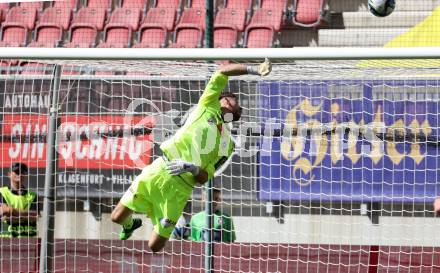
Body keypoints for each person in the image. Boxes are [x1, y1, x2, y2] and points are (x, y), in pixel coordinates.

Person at [111, 59, 272, 252]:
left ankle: (158, 217)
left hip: (181, 188)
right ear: (223, 100)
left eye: (236, 105)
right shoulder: (207, 105)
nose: (236, 104)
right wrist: (254, 69)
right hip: (161, 169)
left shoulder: (228, 144)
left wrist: (192, 168)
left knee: (155, 246)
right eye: (231, 99)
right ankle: (130, 224)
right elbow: (222, 72)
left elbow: (205, 176)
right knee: (117, 217)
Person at [0, 162, 38, 238]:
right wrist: (26, 216)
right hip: (7, 239)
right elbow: (4, 215)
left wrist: (12, 210)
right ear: (9, 174)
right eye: (17, 172)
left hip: (29, 239)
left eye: (22, 172)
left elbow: (35, 216)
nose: (20, 174)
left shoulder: (33, 195)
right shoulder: (2, 192)